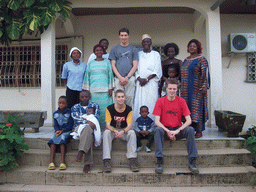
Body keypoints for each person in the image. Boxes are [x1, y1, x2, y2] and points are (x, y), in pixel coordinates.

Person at [153, 78, 199, 174]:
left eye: (174, 89)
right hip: (165, 130)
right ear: (166, 88)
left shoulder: (181, 101)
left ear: (177, 89)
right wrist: (168, 131)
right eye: (170, 88)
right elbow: (157, 121)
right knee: (157, 130)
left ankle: (192, 161)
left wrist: (177, 131)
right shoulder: (160, 101)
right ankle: (159, 161)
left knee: (190, 130)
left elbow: (189, 120)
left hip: (177, 130)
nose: (172, 91)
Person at [102, 89, 139, 173]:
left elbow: (129, 126)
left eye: (122, 97)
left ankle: (132, 159)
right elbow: (107, 125)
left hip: (123, 130)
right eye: (118, 97)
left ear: (125, 98)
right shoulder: (110, 108)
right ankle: (106, 160)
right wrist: (115, 131)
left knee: (132, 133)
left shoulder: (129, 109)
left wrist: (122, 132)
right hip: (113, 130)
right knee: (106, 133)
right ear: (115, 98)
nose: (121, 99)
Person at [180, 39, 210, 138]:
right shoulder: (186, 60)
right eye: (190, 46)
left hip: (197, 89)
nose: (192, 47)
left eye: (194, 46)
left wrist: (205, 86)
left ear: (198, 48)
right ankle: (188, 130)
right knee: (186, 109)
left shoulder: (202, 59)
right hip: (185, 90)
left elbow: (205, 73)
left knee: (196, 109)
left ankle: (199, 130)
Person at [83, 44, 114, 130]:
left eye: (101, 50)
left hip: (105, 92)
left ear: (103, 51)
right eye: (97, 50)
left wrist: (110, 88)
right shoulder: (90, 63)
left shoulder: (107, 63)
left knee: (106, 111)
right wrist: (87, 90)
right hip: (93, 92)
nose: (99, 52)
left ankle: (106, 128)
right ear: (94, 52)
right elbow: (87, 77)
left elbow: (110, 75)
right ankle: (95, 128)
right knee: (95, 111)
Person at [133, 34, 162, 123]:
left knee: (152, 102)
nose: (146, 43)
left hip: (151, 83)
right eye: (144, 41)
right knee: (139, 102)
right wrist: (139, 78)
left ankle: (153, 125)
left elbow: (157, 70)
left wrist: (147, 79)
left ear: (151, 43)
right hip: (140, 83)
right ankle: (138, 126)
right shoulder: (138, 54)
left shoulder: (156, 54)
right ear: (142, 43)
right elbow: (134, 68)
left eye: (148, 41)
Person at [71, 90, 100, 173]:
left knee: (88, 132)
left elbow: (96, 117)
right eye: (82, 97)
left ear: (89, 97)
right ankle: (87, 164)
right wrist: (87, 122)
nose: (84, 99)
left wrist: (88, 122)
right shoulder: (75, 107)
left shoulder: (95, 106)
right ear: (79, 98)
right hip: (78, 128)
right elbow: (76, 119)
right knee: (88, 131)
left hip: (90, 128)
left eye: (86, 97)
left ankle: (81, 152)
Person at [109, 28, 139, 107]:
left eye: (125, 35)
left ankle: (128, 118)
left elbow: (135, 65)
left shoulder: (133, 49)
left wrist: (127, 77)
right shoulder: (114, 49)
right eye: (122, 35)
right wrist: (120, 78)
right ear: (119, 36)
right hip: (118, 79)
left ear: (128, 36)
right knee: (118, 100)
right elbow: (113, 65)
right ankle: (117, 118)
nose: (123, 37)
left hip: (130, 79)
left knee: (129, 98)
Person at [47, 96, 74, 170]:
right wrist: (57, 131)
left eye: (63, 103)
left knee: (62, 139)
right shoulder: (55, 113)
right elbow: (55, 124)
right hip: (58, 131)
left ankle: (62, 162)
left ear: (66, 104)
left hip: (66, 131)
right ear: (58, 103)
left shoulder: (70, 112)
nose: (61, 104)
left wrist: (62, 131)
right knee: (53, 139)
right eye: (60, 103)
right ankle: (51, 162)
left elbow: (70, 124)